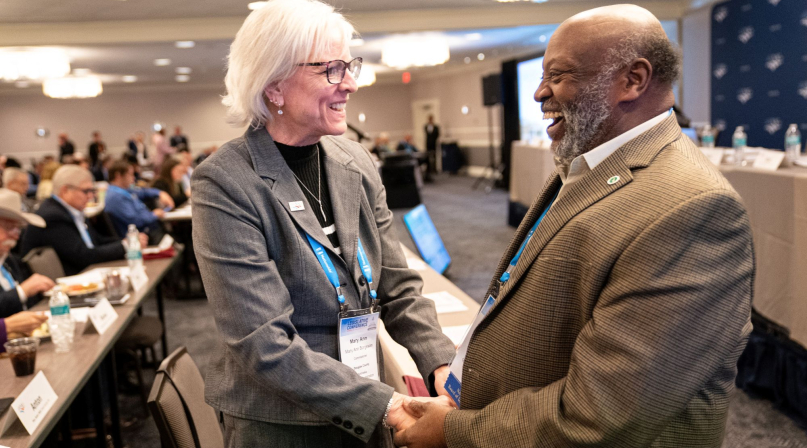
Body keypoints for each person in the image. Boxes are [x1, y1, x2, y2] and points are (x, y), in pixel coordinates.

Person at [393, 5, 754, 448]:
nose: (539, 93)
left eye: (559, 75)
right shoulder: (589, 163)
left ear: (633, 80)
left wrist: (453, 432)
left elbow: (600, 414)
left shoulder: (693, 209)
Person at [192, 1, 455, 446]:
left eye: (348, 66)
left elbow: (397, 285)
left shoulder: (355, 160)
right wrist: (389, 406)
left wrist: (444, 368)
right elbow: (263, 342)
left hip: (366, 391)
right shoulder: (224, 182)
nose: (350, 83)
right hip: (282, 422)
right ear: (274, 86)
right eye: (331, 70)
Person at [21, 165, 148, 276]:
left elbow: (96, 241)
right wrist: (125, 245)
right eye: (86, 191)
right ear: (65, 190)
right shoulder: (53, 216)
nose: (91, 196)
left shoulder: (71, 209)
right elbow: (84, 256)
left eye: (92, 191)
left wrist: (128, 240)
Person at [0, 188, 53, 353]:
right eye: (9, 228)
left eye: (18, 229)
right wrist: (23, 291)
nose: (16, 236)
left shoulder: (8, 260)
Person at [104, 161, 173, 243]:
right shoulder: (115, 197)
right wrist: (153, 214)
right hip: (142, 237)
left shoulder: (124, 190)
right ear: (118, 175)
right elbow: (136, 221)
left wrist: (160, 193)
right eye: (130, 174)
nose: (133, 178)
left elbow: (143, 192)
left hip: (149, 231)